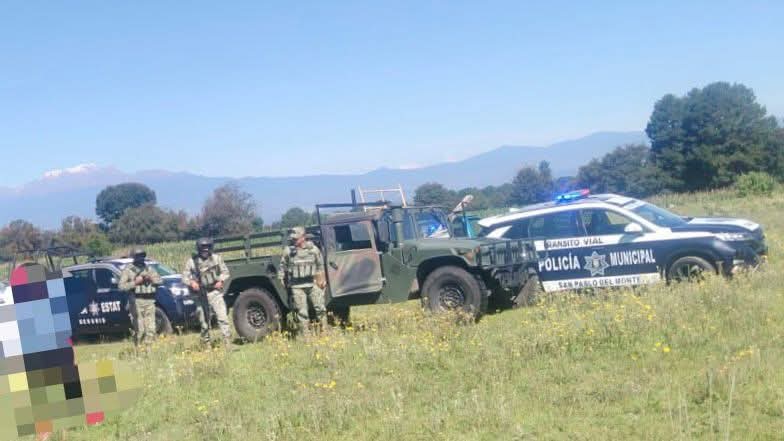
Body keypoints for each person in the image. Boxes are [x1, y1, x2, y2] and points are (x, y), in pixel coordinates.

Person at [183, 237, 232, 346]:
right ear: (199, 248)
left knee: (223, 318)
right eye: (203, 248)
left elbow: (226, 272)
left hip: (215, 292)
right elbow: (184, 277)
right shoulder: (192, 261)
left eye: (208, 247)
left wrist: (221, 280)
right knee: (204, 322)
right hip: (200, 294)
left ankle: (228, 344)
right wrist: (192, 283)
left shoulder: (216, 258)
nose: (206, 250)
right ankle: (206, 344)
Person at [279, 226, 327, 335]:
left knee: (320, 308)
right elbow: (282, 267)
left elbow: (320, 266)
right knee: (302, 312)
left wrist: (322, 281)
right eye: (293, 238)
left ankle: (324, 331)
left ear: (303, 237)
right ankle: (306, 336)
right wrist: (282, 280)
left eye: (296, 238)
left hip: (312, 283)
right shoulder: (288, 251)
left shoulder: (313, 250)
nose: (294, 240)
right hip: (297, 286)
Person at [118, 247, 162, 348]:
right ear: (134, 257)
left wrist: (151, 279)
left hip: (149, 301)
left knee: (151, 328)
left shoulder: (149, 268)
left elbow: (160, 281)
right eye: (138, 257)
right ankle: (139, 350)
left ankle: (148, 350)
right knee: (140, 329)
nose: (140, 259)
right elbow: (121, 286)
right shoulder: (128, 270)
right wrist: (135, 282)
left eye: (142, 256)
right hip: (136, 301)